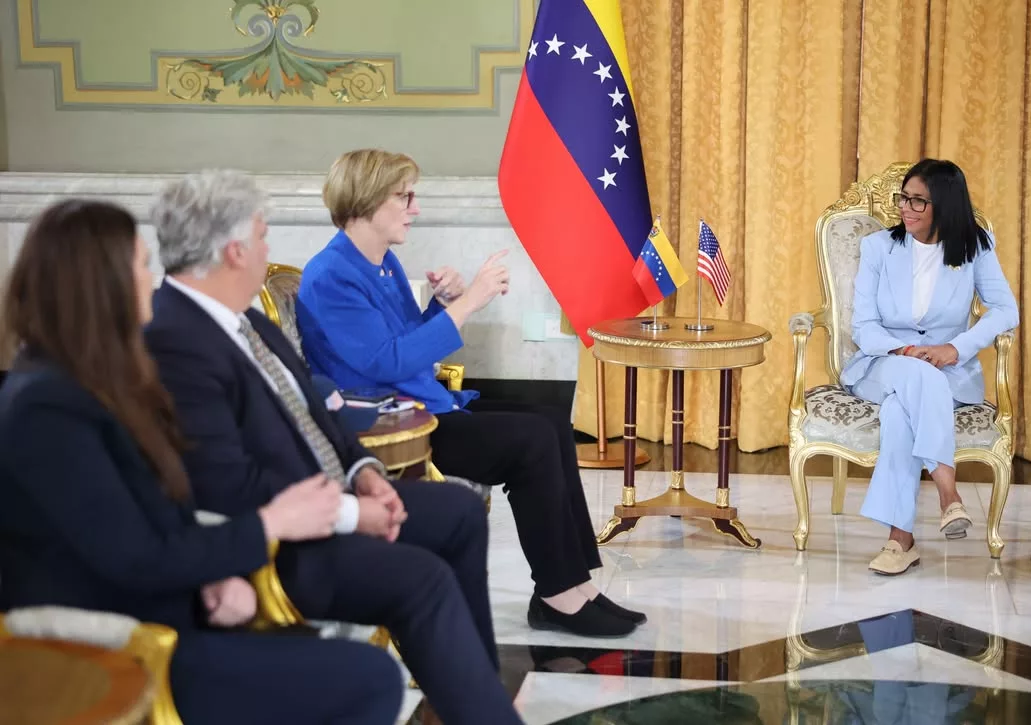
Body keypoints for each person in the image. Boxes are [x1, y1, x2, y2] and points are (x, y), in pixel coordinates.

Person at [0, 199, 403, 725]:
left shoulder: (87, 381)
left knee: (362, 668)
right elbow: (131, 556)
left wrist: (213, 579)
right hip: (111, 650)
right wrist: (271, 523)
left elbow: (151, 517)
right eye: (141, 265)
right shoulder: (46, 406)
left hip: (169, 612)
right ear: (100, 286)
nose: (151, 279)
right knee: (368, 678)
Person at [143, 171, 523, 725]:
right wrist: (350, 512)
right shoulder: (175, 341)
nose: (269, 251)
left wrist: (365, 471)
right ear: (233, 252)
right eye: (262, 237)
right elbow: (228, 483)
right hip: (283, 547)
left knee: (460, 512)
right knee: (422, 577)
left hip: (330, 495)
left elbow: (317, 407)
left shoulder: (247, 318)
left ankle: (471, 693)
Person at [296, 149, 643, 637]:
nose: (415, 208)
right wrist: (469, 303)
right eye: (404, 197)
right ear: (369, 200)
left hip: (419, 404)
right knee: (531, 442)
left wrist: (442, 306)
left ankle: (578, 583)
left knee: (550, 420)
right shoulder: (331, 275)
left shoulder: (379, 262)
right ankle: (557, 594)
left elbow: (401, 344)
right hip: (391, 425)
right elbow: (388, 362)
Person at [841, 159, 1019, 575]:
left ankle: (899, 541)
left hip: (948, 372)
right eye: (904, 198)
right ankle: (947, 493)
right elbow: (864, 326)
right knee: (917, 376)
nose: (906, 208)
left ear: (946, 204)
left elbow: (1006, 309)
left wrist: (956, 348)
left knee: (899, 412)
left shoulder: (975, 245)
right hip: (883, 363)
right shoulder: (878, 248)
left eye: (918, 201)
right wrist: (905, 349)